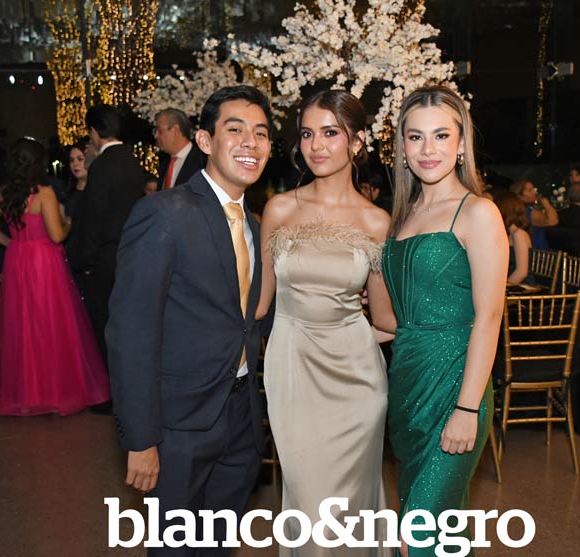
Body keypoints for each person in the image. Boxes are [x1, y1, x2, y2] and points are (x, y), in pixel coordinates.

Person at [106, 86, 273, 557]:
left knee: (217, 545)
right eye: (235, 129)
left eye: (261, 133)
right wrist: (141, 439)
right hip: (178, 424)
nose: (250, 142)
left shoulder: (253, 224)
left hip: (240, 417)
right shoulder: (163, 214)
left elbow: (247, 318)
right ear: (204, 140)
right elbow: (131, 333)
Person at [256, 90, 395, 556]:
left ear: (356, 142)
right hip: (293, 373)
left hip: (357, 384)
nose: (316, 145)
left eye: (330, 133)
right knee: (310, 509)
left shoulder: (376, 221)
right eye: (307, 134)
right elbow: (259, 305)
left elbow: (385, 320)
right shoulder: (279, 209)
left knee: (350, 512)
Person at [381, 86, 508, 557]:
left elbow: (489, 317)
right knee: (440, 534)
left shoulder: (478, 212)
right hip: (407, 383)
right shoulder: (402, 216)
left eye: (440, 135)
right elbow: (391, 318)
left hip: (455, 384)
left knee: (416, 538)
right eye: (415, 137)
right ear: (402, 146)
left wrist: (467, 409)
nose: (427, 149)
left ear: (460, 144)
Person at [0, 138, 110, 416]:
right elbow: (57, 235)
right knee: (52, 324)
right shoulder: (44, 192)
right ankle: (55, 392)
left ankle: (28, 394)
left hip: (18, 260)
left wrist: (11, 243)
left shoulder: (4, 193)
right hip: (44, 262)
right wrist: (69, 222)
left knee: (22, 326)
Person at [67, 104, 145, 365]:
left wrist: (86, 262)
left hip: (105, 259)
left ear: (93, 131)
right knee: (129, 324)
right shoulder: (133, 161)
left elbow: (94, 219)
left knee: (105, 326)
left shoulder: (101, 166)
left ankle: (114, 383)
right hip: (131, 254)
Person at [154, 107, 207, 190]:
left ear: (175, 130)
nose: (156, 136)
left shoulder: (203, 161)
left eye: (160, 131)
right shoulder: (164, 164)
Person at [495, 192, 536, 285]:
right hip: (511, 284)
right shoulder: (508, 234)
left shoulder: (519, 234)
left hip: (522, 287)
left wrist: (503, 289)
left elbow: (521, 272)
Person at [510, 178, 557, 250]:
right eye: (529, 190)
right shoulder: (527, 212)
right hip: (537, 251)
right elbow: (552, 221)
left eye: (533, 189)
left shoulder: (517, 210)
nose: (534, 192)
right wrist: (546, 203)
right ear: (519, 195)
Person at [64, 139, 89, 218]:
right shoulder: (66, 188)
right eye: (71, 160)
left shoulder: (99, 188)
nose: (75, 164)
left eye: (80, 159)